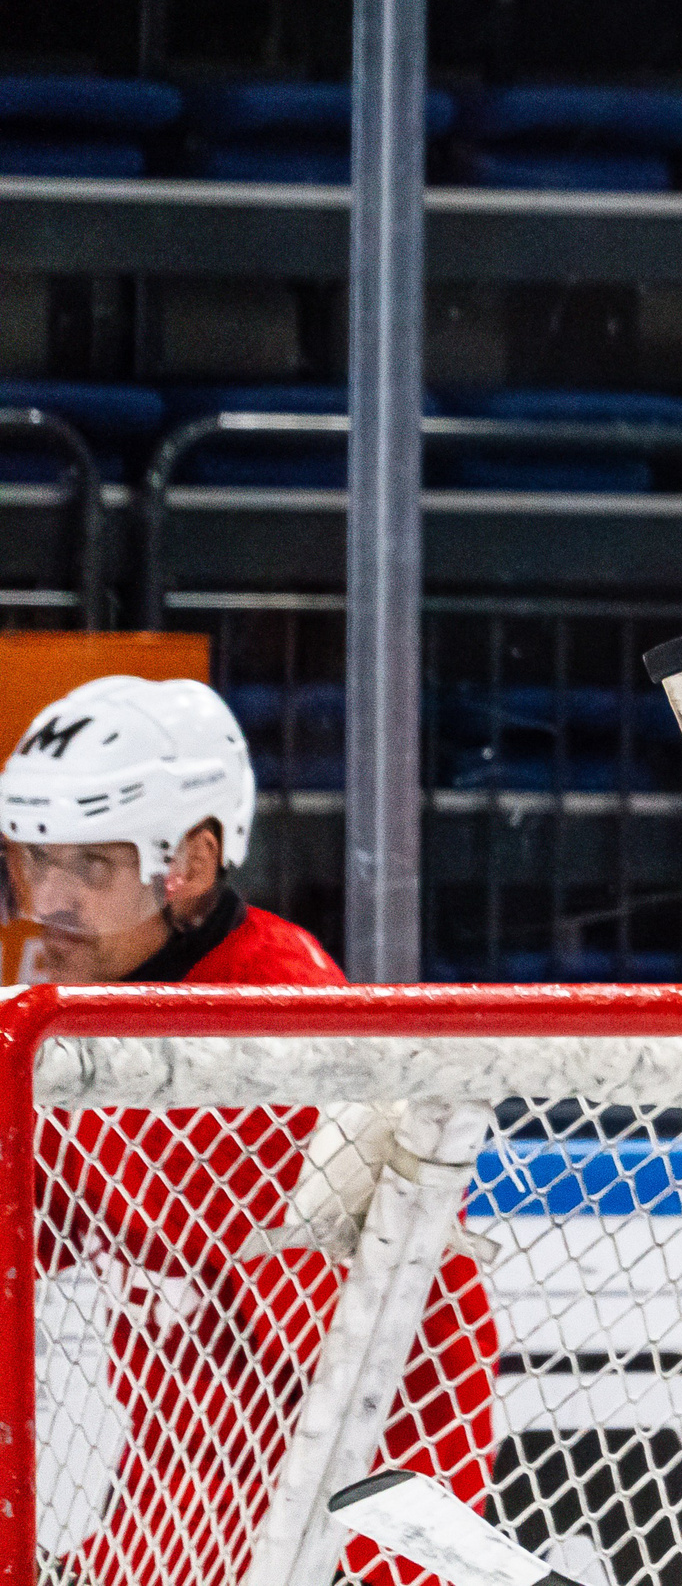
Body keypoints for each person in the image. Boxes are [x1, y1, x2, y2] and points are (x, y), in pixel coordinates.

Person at [5, 675, 494, 1586]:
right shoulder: (90, 1022)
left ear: (187, 864)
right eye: (35, 861)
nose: (50, 900)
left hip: (318, 1541)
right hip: (169, 1526)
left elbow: (390, 1383)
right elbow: (35, 1220)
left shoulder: (276, 1044)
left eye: (90, 865)